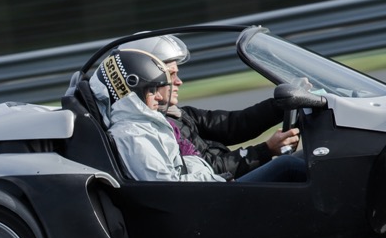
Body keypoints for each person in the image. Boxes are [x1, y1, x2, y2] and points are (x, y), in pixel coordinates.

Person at [88, 34, 300, 178]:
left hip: (219, 187)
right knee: (288, 166)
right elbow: (205, 170)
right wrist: (265, 150)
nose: (178, 82)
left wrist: (281, 105)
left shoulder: (175, 115)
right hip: (216, 194)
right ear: (146, 80)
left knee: (299, 162)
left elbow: (233, 124)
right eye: (170, 75)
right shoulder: (143, 132)